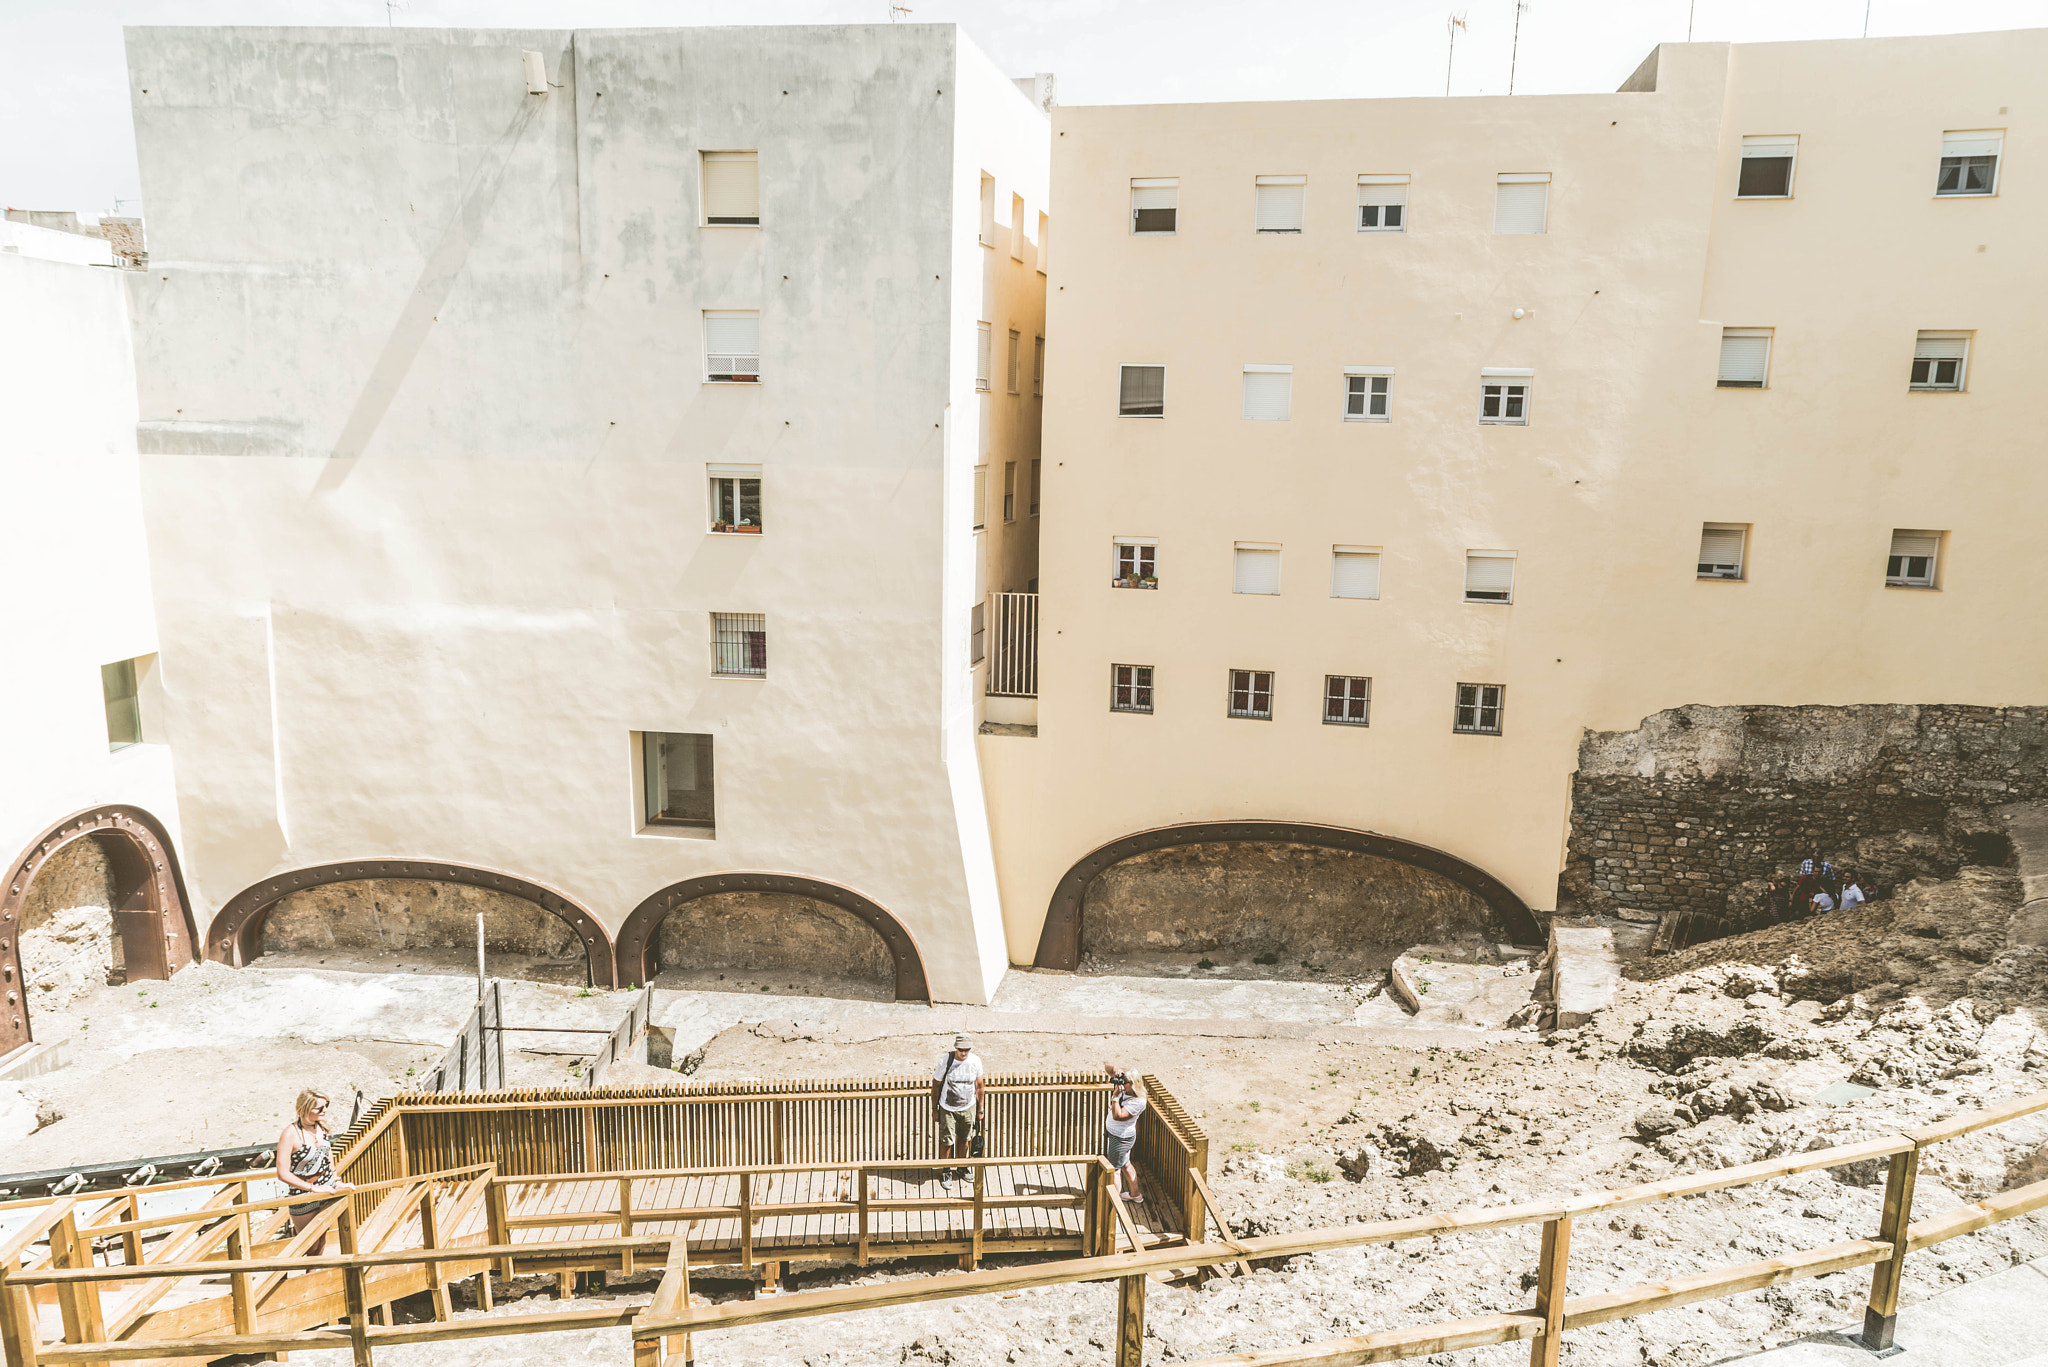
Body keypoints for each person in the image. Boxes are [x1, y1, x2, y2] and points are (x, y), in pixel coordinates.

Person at [276, 1088, 353, 1253]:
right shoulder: (290, 1134)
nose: (324, 1111)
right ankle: (297, 1276)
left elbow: (328, 1159)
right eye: (319, 1108)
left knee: (321, 1243)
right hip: (303, 1195)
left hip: (327, 1188)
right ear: (304, 1109)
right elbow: (282, 1173)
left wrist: (338, 1182)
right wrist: (312, 1188)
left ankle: (313, 1275)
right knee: (309, 1245)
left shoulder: (322, 1129)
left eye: (326, 1106)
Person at [930, 1034, 984, 1186]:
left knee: (965, 1139)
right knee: (946, 1141)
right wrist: (934, 1109)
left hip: (968, 1107)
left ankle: (962, 1167)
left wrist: (980, 1109)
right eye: (961, 1050)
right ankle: (946, 1170)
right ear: (956, 1048)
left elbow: (979, 1086)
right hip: (948, 1108)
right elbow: (935, 1085)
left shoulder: (975, 1061)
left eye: (967, 1050)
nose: (964, 1053)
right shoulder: (945, 1061)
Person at [1100, 1061, 1147, 1205]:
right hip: (1118, 1136)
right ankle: (1135, 1195)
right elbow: (1106, 1066)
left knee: (1115, 1170)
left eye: (1125, 1081)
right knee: (1125, 1164)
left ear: (1132, 1084)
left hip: (1121, 1139)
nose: (1121, 1083)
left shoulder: (1138, 1101)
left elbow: (1118, 1116)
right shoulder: (1125, 1090)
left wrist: (1115, 1096)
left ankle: (1113, 1204)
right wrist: (1116, 1070)